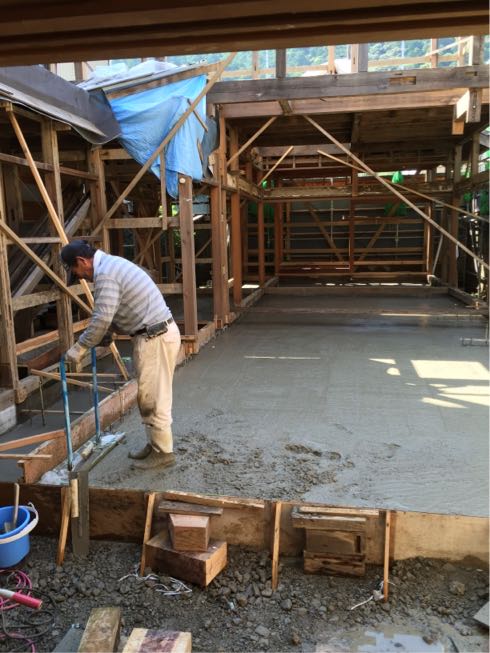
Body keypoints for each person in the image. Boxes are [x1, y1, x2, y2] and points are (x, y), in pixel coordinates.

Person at [60, 240, 181, 470]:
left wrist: (80, 348)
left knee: (154, 399)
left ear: (82, 261)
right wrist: (109, 332)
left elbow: (102, 318)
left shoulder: (106, 274)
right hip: (153, 335)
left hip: (155, 337)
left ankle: (163, 453)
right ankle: (155, 445)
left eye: (77, 272)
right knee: (147, 396)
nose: (82, 278)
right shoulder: (112, 265)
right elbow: (117, 310)